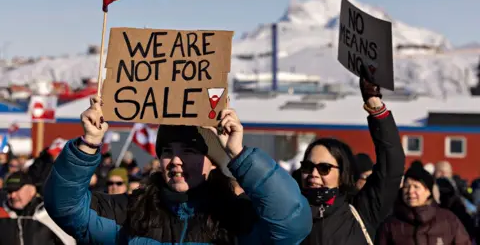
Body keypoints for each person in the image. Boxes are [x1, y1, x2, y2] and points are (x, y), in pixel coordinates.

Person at [43, 96, 312, 244]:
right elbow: (66, 209)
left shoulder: (237, 216)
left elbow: (291, 223)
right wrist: (89, 143)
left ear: (211, 161)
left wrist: (239, 154)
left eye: (189, 152)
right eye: (167, 152)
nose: (176, 161)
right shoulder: (131, 212)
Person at [297, 76, 405, 245]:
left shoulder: (361, 210)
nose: (313, 174)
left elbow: (391, 164)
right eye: (308, 167)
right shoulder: (286, 213)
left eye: (324, 168)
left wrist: (376, 107)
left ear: (343, 173)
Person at [377, 166, 471, 245]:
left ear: (428, 191)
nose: (410, 191)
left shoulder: (448, 220)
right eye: (406, 186)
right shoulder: (391, 224)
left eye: (416, 187)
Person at [0, 171, 75, 245]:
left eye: (16, 190)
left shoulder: (50, 214)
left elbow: (69, 241)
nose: (13, 195)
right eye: (9, 191)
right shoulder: (4, 215)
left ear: (32, 190)